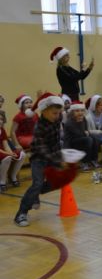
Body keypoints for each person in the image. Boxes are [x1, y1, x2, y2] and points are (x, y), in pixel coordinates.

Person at [14, 93, 67, 227]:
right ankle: (21, 213)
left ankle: (35, 194)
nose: (57, 116)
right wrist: (56, 160)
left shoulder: (57, 117)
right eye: (54, 113)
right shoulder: (39, 127)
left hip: (53, 155)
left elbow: (56, 141)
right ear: (44, 111)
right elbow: (42, 149)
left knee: (57, 181)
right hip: (39, 158)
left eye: (58, 113)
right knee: (37, 184)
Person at [64, 101, 99, 172]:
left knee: (94, 138)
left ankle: (93, 160)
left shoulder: (84, 119)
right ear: (72, 112)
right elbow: (78, 134)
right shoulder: (69, 122)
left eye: (82, 110)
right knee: (88, 140)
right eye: (77, 111)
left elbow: (86, 131)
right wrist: (84, 131)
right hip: (71, 142)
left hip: (81, 139)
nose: (80, 113)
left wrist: (86, 133)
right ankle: (84, 163)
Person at [0, 114, 26, 192]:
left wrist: (11, 153)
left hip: (3, 151)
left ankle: (13, 176)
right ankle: (2, 181)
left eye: (1, 119)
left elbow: (5, 145)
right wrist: (8, 154)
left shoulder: (2, 130)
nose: (1, 121)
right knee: (7, 158)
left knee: (22, 154)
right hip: (1, 151)